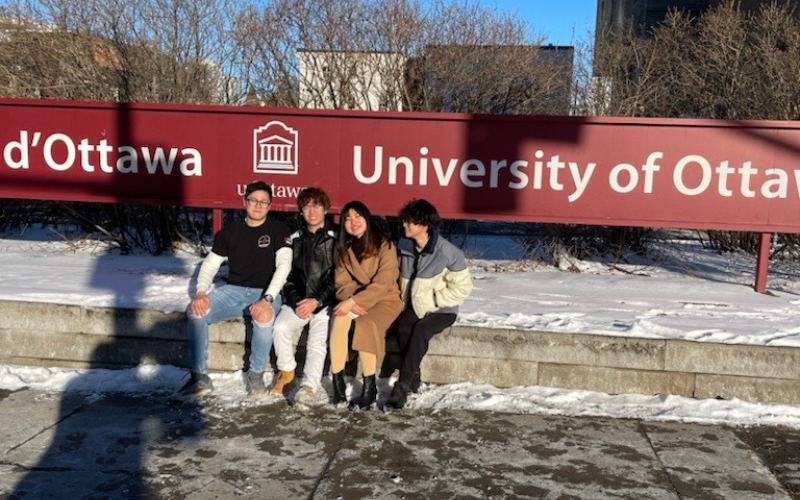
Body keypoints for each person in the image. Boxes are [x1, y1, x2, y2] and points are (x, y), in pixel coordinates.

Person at [178, 180, 291, 398]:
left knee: (264, 316)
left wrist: (267, 298)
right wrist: (201, 292)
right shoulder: (231, 232)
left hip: (265, 292)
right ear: (245, 202)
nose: (258, 205)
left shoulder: (279, 230)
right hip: (234, 290)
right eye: (253, 200)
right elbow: (211, 264)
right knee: (195, 312)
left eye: (263, 202)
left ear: (270, 205)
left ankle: (255, 379)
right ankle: (199, 378)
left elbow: (284, 266)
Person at [383, 199, 473, 410]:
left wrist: (434, 300)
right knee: (404, 329)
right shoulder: (404, 247)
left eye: (410, 222)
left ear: (425, 225)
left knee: (420, 330)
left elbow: (463, 288)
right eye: (404, 221)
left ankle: (402, 385)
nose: (404, 225)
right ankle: (414, 375)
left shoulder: (448, 252)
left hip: (442, 309)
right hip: (414, 306)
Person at [329, 201, 403, 410]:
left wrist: (355, 301)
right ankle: (338, 383)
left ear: (367, 219)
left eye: (357, 217)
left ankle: (370, 388)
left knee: (365, 323)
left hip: (385, 300)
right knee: (339, 317)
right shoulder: (344, 249)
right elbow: (342, 284)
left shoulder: (384, 245)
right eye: (347, 219)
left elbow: (383, 283)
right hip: (358, 299)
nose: (353, 222)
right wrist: (350, 300)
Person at [268, 187, 337, 405]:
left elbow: (339, 277)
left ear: (325, 209)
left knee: (317, 340)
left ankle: (309, 386)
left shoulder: (337, 239)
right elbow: (286, 275)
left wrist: (317, 300)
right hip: (298, 301)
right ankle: (287, 373)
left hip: (325, 303)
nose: (312, 211)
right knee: (279, 327)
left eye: (316, 206)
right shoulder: (294, 239)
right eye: (306, 206)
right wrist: (298, 300)